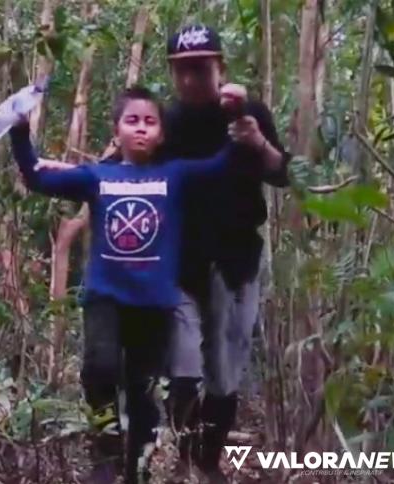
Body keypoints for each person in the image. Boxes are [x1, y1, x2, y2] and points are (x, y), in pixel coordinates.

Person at [7, 86, 238, 483]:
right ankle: (106, 449)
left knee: (143, 390)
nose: (142, 129)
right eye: (133, 121)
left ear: (162, 134)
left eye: (150, 122)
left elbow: (223, 166)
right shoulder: (99, 176)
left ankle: (139, 469)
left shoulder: (175, 175)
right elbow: (35, 178)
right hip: (106, 296)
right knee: (99, 369)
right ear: (117, 131)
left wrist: (237, 120)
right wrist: (19, 131)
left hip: (154, 303)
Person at [161, 25, 291, 483]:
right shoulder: (166, 122)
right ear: (173, 74)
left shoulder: (248, 112)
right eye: (183, 71)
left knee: (225, 369)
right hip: (181, 263)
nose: (192, 80)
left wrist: (257, 141)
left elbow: (281, 174)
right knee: (183, 367)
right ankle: (182, 456)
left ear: (220, 68)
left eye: (201, 68)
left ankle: (207, 461)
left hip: (238, 260)